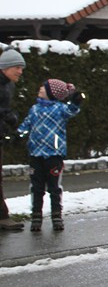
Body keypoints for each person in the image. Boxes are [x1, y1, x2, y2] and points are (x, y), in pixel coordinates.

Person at [17, 78, 83, 232]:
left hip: (54, 154)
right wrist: (17, 134)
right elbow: (26, 124)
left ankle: (56, 216)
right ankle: (36, 216)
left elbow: (72, 110)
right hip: (36, 154)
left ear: (52, 93)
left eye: (44, 87)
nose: (40, 88)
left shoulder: (60, 109)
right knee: (36, 187)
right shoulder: (34, 109)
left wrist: (76, 99)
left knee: (54, 188)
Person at [0, 48, 26, 231]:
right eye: (17, 67)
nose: (20, 71)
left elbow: (4, 109)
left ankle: (2, 215)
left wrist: (11, 118)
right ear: (5, 67)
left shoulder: (8, 84)